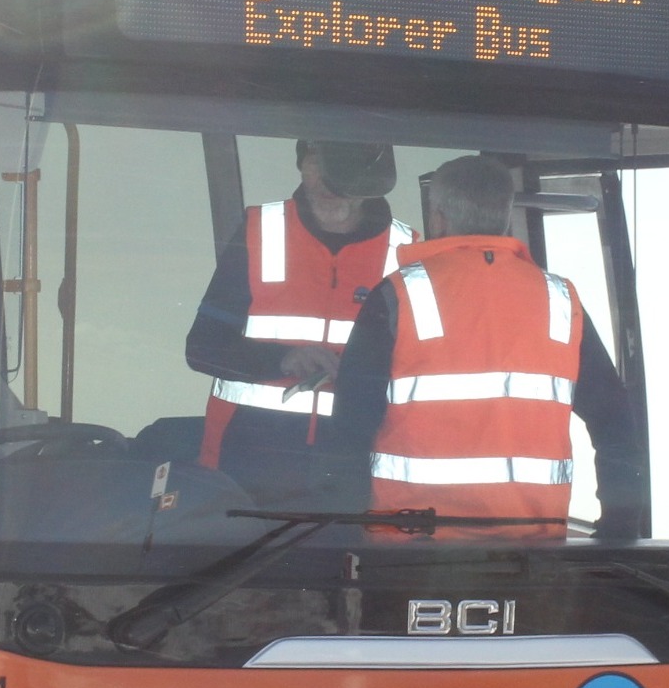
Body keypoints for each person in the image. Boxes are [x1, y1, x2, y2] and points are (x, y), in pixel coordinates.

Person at [324, 155, 645, 536]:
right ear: (505, 219)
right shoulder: (561, 300)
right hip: (532, 557)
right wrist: (619, 532)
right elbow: (616, 424)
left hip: (409, 556)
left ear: (438, 217)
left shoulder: (395, 297)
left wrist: (341, 542)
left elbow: (348, 432)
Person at [185, 140, 413, 503]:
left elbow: (419, 379)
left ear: (369, 182)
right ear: (302, 164)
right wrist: (283, 359)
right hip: (243, 466)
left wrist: (360, 375)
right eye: (316, 165)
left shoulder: (407, 251)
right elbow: (202, 349)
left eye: (338, 174)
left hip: (353, 472)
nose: (324, 182)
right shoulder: (259, 230)